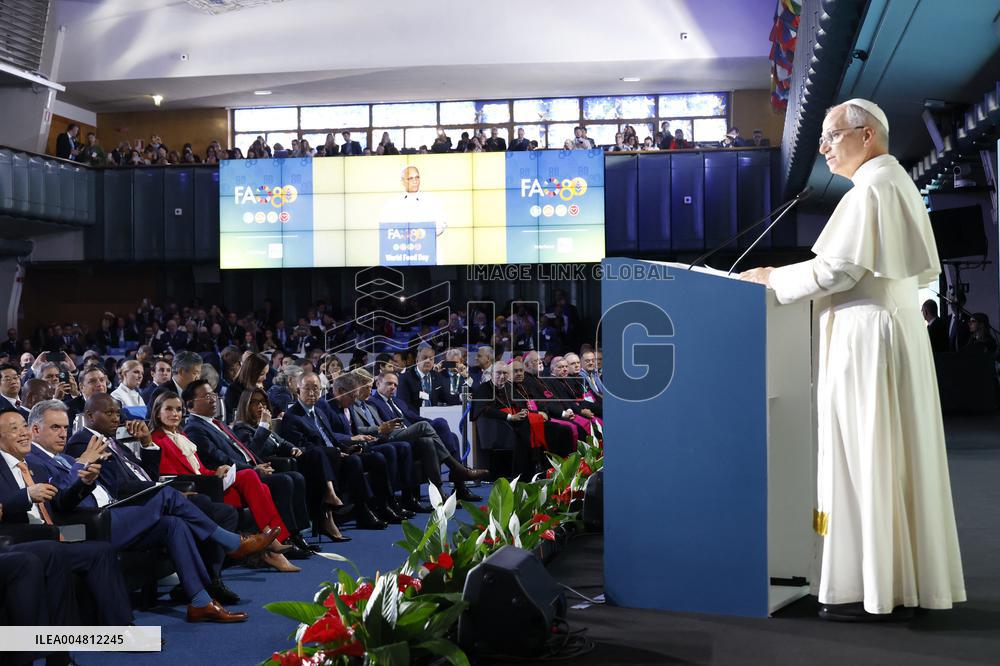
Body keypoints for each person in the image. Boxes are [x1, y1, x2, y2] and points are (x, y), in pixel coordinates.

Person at [740, 99, 965, 620]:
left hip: (869, 340)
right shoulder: (891, 183)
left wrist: (773, 278)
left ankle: (872, 590)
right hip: (887, 333)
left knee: (867, 453)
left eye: (832, 135)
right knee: (887, 456)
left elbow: (837, 270)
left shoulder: (873, 188)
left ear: (867, 135)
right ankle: (894, 582)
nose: (823, 148)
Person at [24, 400, 271, 618]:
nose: (63, 434)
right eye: (55, 428)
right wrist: (82, 465)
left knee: (174, 524)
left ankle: (201, 601)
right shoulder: (35, 460)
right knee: (166, 495)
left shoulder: (65, 458)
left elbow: (106, 488)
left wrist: (92, 466)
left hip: (113, 512)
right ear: (35, 430)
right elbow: (60, 502)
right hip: (88, 527)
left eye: (65, 427)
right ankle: (232, 542)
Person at [149, 392, 304, 570]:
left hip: (208, 483)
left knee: (260, 485)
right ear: (157, 412)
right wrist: (210, 476)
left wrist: (216, 471)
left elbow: (199, 469)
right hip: (197, 492)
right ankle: (273, 540)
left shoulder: (182, 437)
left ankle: (271, 546)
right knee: (250, 477)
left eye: (177, 409)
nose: (175, 414)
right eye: (168, 409)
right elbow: (171, 475)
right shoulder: (156, 440)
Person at [181, 380, 312, 554]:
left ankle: (296, 534)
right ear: (190, 404)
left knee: (295, 477)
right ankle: (284, 537)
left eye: (213, 395)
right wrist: (252, 469)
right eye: (206, 396)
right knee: (284, 481)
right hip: (232, 476)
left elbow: (244, 450)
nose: (213, 399)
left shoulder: (217, 423)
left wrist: (258, 464)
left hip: (248, 468)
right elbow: (219, 457)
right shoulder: (195, 428)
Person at [231, 387, 351, 542]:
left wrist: (293, 448)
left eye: (262, 402)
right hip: (271, 466)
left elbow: (281, 442)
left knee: (330, 452)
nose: (260, 406)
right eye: (254, 403)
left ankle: (324, 513)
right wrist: (263, 427)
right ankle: (323, 508)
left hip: (288, 461)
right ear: (245, 406)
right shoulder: (242, 427)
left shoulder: (261, 424)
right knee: (314, 458)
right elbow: (251, 453)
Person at [379, 165, 448, 237]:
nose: (415, 181)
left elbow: (442, 223)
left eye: (417, 177)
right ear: (402, 181)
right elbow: (385, 225)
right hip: (401, 245)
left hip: (426, 244)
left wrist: (423, 234)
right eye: (410, 178)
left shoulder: (432, 200)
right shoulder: (392, 203)